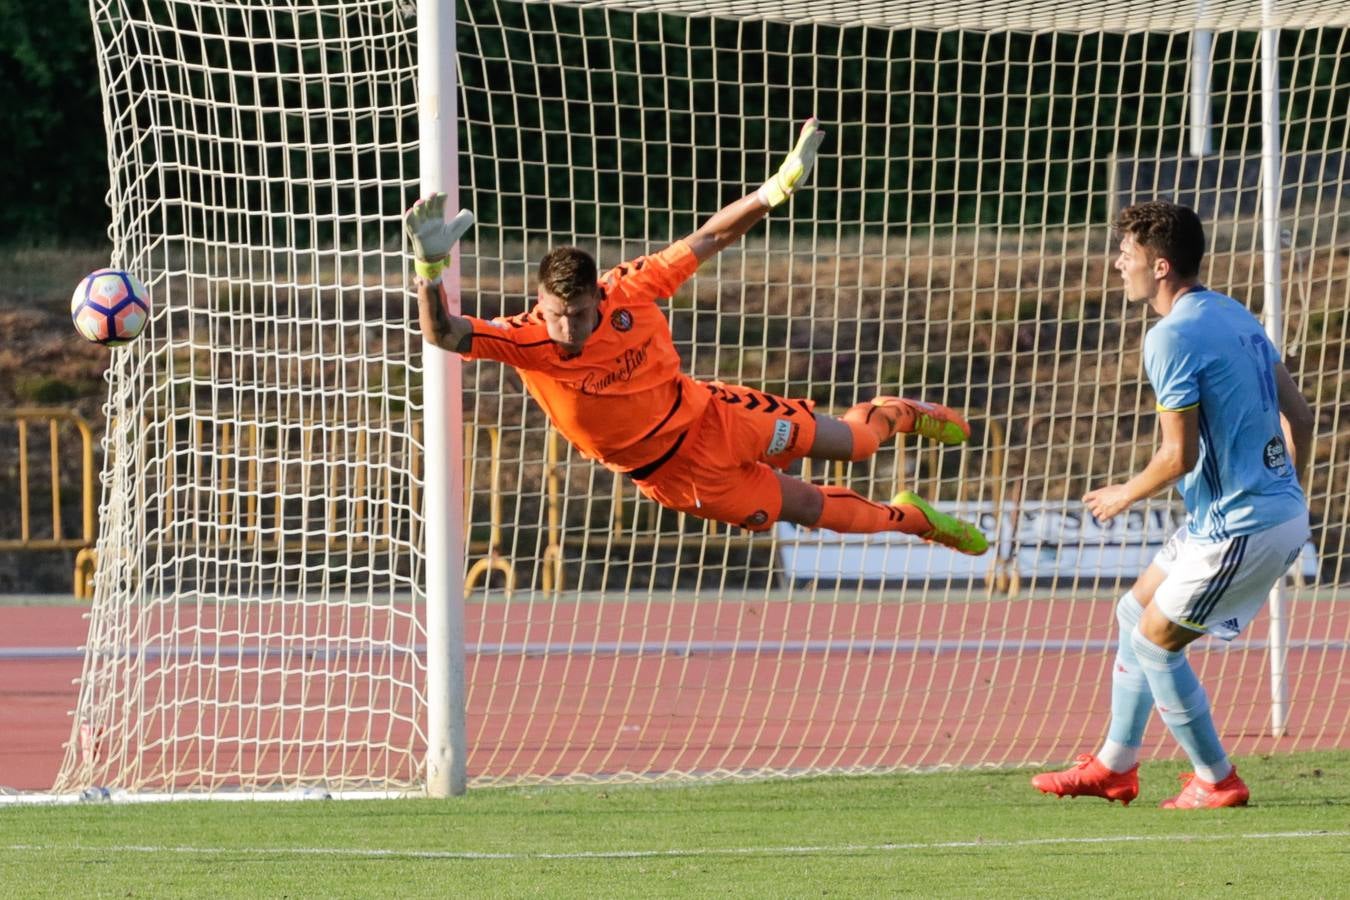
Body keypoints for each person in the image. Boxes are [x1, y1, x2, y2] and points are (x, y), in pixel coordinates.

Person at [403, 119, 988, 554]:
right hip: (677, 474)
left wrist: (772, 191)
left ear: (599, 299)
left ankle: (896, 410)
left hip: (715, 413)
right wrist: (430, 270)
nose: (566, 328)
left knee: (856, 445)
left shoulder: (630, 289)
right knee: (809, 508)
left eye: (578, 315)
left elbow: (709, 239)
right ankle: (917, 520)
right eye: (556, 314)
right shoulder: (526, 339)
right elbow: (444, 332)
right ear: (539, 303)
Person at [1031, 201, 1314, 809]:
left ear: (1159, 266)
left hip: (1243, 524)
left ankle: (1217, 779)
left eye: (1126, 256)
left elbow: (1176, 456)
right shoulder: (1233, 313)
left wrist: (1121, 495)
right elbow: (1303, 417)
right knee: (1134, 615)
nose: (1117, 265)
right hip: (1244, 515)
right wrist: (1290, 490)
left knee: (1158, 640)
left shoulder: (1171, 336)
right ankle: (1115, 765)